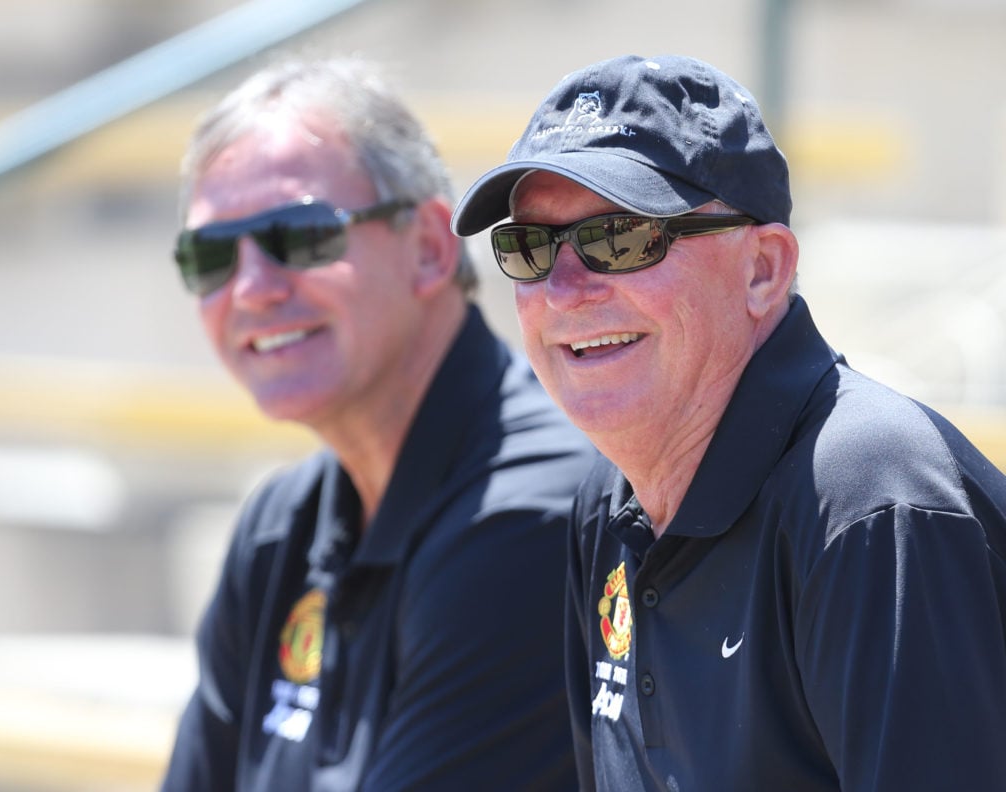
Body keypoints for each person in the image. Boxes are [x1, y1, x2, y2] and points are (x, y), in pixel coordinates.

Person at [451, 54, 1006, 791]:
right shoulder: (608, 499)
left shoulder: (873, 503)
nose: (563, 290)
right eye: (530, 247)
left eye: (620, 239)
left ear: (763, 270)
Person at [160, 55, 596, 791]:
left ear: (429, 249)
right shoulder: (279, 525)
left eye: (299, 237)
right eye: (210, 257)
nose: (253, 290)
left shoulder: (531, 512)